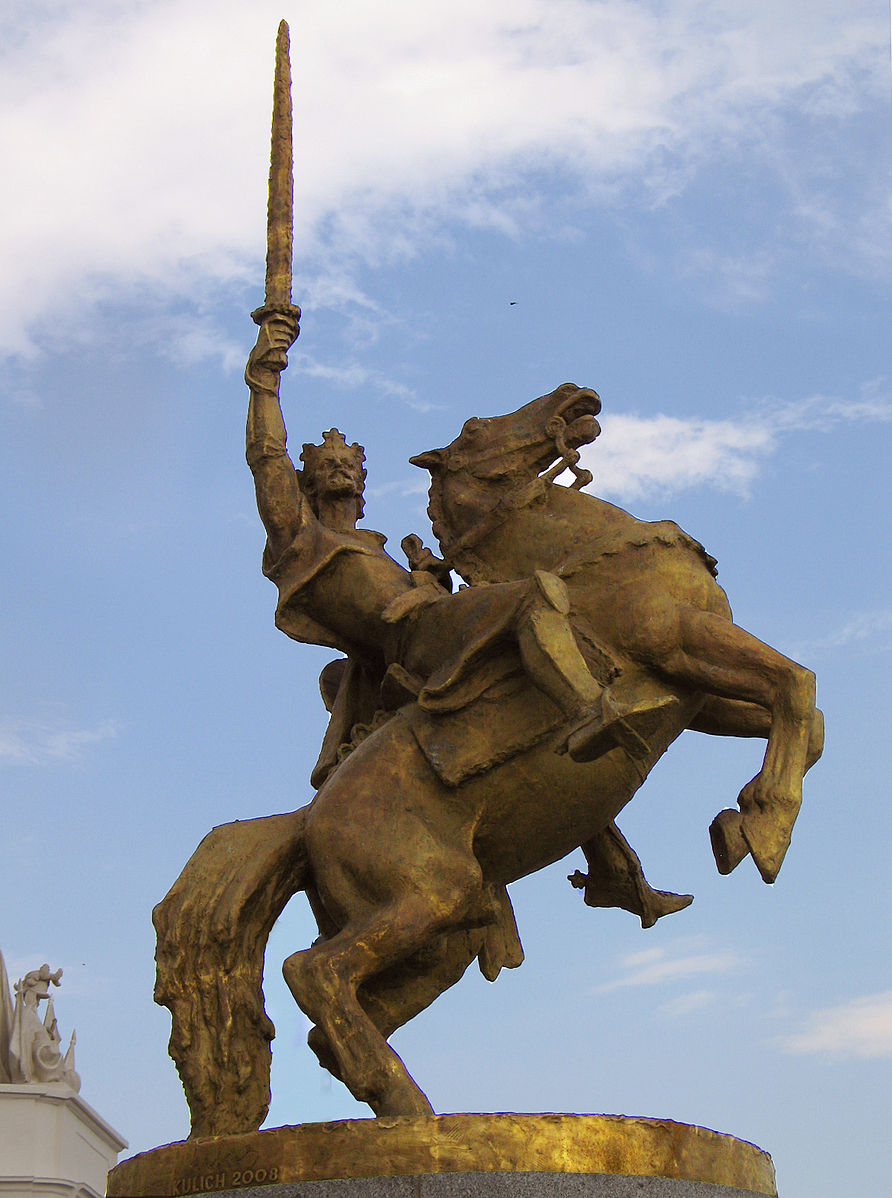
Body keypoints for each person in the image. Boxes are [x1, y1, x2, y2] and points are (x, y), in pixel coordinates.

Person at [245, 311, 674, 784]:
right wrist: (265, 378)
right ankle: (590, 710)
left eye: (348, 464)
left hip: (432, 624)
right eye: (328, 465)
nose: (341, 469)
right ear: (305, 483)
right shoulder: (301, 538)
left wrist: (431, 576)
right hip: (411, 641)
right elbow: (267, 456)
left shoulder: (377, 549)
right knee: (536, 595)